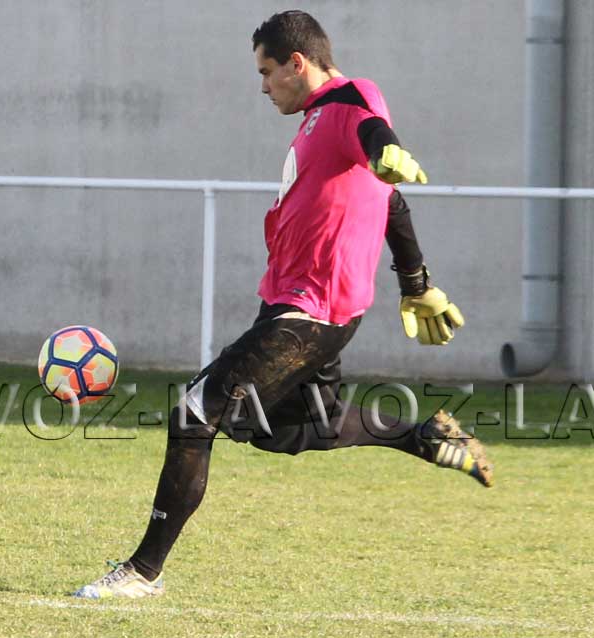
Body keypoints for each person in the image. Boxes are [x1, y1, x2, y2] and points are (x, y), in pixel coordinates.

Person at [73, 10, 493, 600]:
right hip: (297, 307)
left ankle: (143, 572)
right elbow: (389, 201)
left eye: (267, 72)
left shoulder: (348, 101)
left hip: (310, 311)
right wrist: (416, 283)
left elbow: (374, 132)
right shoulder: (317, 120)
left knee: (194, 414)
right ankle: (425, 437)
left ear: (298, 63)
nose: (263, 86)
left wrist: (388, 147)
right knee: (287, 428)